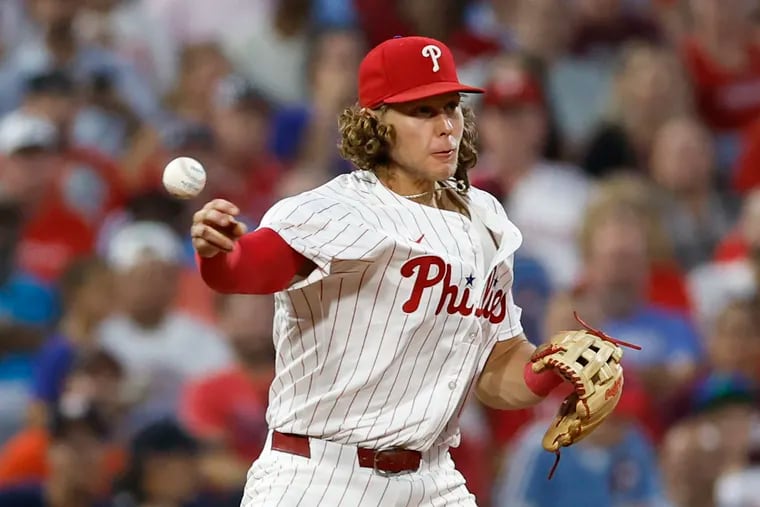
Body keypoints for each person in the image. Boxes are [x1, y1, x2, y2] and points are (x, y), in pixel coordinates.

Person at [192, 35, 619, 505]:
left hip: (432, 478)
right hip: (320, 476)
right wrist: (220, 253)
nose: (446, 127)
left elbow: (496, 366)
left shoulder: (485, 218)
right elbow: (247, 269)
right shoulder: (336, 210)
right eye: (423, 112)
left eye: (451, 107)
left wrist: (545, 370)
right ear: (376, 124)